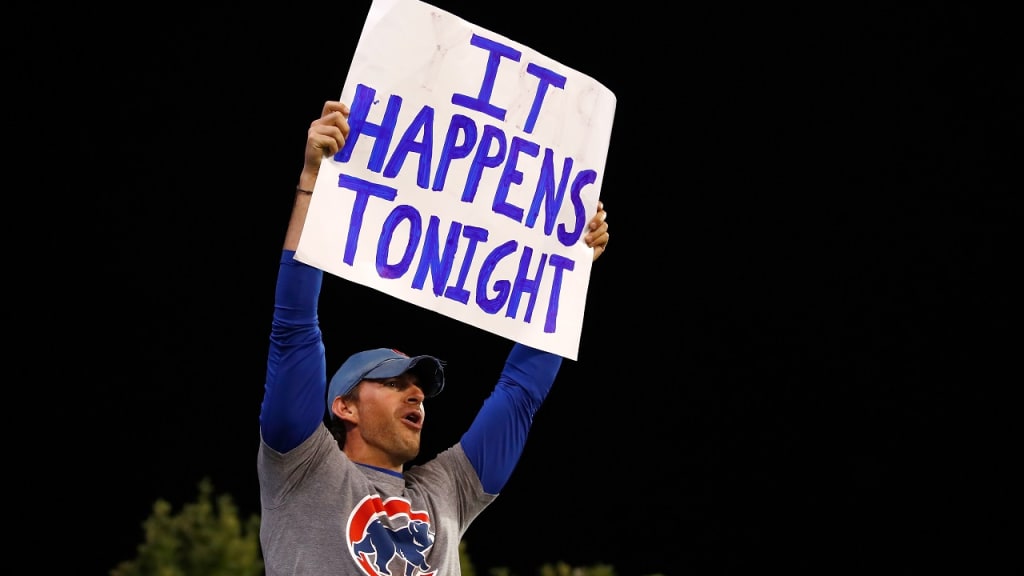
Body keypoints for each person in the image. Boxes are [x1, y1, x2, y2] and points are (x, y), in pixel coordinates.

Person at [258, 100, 610, 576]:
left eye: (418, 384)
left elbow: (520, 394)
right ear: (345, 406)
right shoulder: (301, 466)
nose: (416, 392)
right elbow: (293, 330)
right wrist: (314, 187)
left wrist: (567, 278)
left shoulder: (447, 489)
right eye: (393, 382)